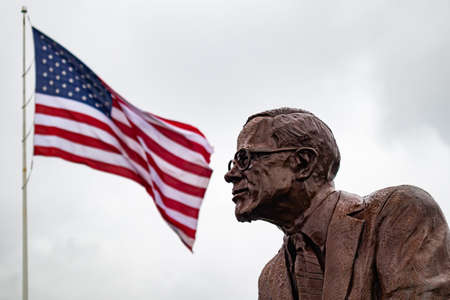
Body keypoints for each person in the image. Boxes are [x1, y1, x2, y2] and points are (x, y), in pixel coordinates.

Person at [224, 108, 450, 300]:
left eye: (244, 158)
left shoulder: (400, 213)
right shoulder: (271, 278)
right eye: (232, 163)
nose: (231, 175)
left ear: (303, 162)